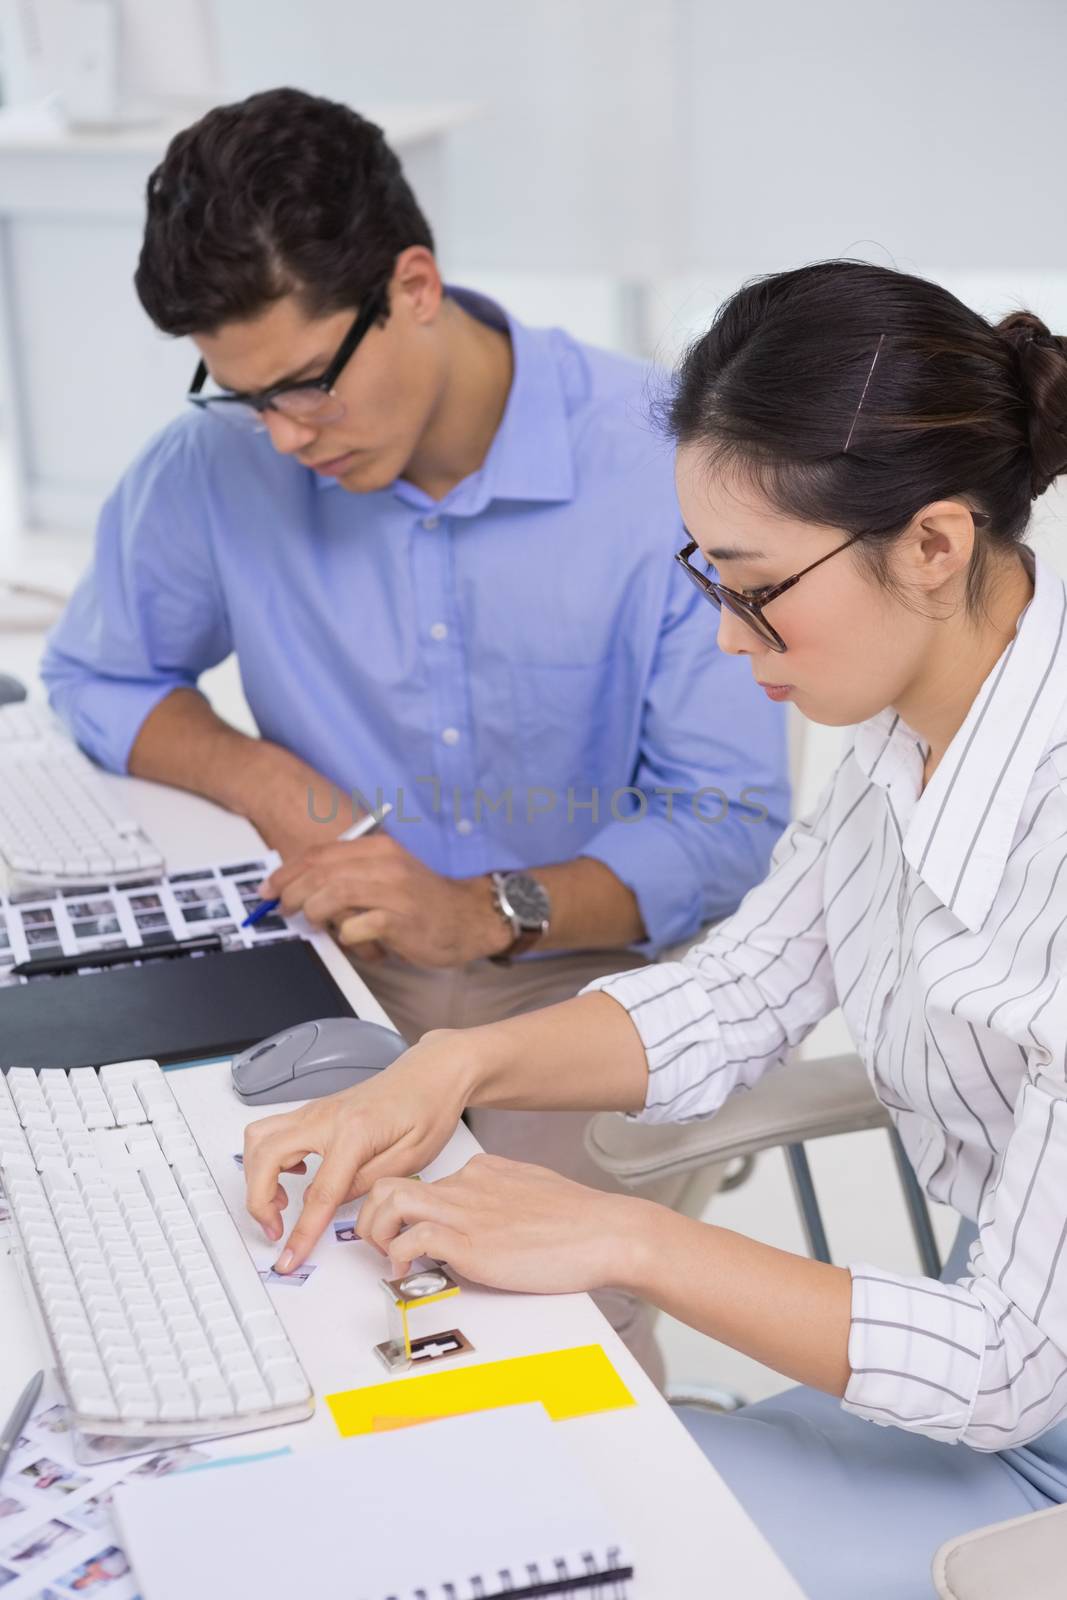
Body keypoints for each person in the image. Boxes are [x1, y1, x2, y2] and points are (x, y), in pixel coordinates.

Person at [242, 260, 1067, 1598]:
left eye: (756, 587)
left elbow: (1010, 1362)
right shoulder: (913, 731)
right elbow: (740, 992)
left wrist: (630, 1239)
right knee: (474, 1469)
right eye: (706, 574)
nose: (730, 639)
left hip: (1027, 1452)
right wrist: (449, 1068)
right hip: (992, 1397)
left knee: (513, 1531)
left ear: (933, 543)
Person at [39, 88, 788, 1378]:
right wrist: (273, 782)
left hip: (585, 978)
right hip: (337, 959)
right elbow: (102, 675)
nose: (284, 436)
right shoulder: (218, 463)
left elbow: (724, 825)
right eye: (244, 394)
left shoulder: (666, 460)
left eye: (308, 385)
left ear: (416, 285)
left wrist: (487, 910)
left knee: (518, 1337)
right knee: (225, 1276)